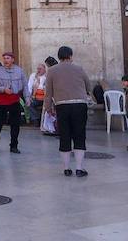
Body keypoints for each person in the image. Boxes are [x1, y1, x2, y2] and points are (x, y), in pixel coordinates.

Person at [44, 45, 92, 178]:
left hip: (62, 106)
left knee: (64, 135)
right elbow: (88, 85)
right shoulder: (79, 68)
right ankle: (79, 168)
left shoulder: (52, 71)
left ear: (59, 57)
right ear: (70, 56)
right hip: (79, 105)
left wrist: (48, 108)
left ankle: (66, 168)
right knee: (79, 135)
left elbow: (48, 93)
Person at [0, 52, 26, 153]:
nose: (6, 60)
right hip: (2, 101)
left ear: (13, 59)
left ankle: (14, 145)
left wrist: (27, 98)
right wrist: (2, 89)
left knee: (15, 124)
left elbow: (25, 85)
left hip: (15, 100)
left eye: (8, 58)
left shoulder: (19, 71)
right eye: (4, 58)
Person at [40, 56, 59, 134]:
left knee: (51, 111)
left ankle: (51, 128)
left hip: (52, 93)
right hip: (56, 93)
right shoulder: (58, 69)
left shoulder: (51, 71)